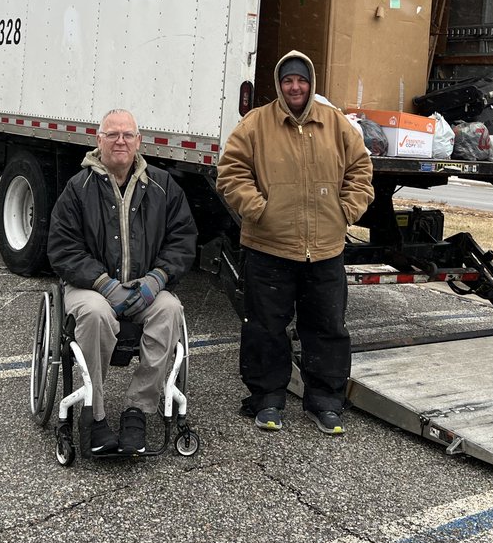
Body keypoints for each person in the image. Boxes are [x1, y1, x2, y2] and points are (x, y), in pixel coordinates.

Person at [216, 50, 374, 435]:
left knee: (326, 328)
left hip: (325, 250)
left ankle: (325, 402)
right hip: (269, 247)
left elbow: (361, 169)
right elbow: (230, 172)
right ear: (278, 84)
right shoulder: (256, 125)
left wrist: (345, 211)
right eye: (287, 80)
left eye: (301, 80)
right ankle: (267, 399)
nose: (295, 87)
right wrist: (259, 210)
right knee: (265, 328)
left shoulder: (335, 124)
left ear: (311, 83)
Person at [47, 108, 198, 454]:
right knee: (96, 314)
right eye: (112, 134)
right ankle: (95, 416)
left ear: (139, 142)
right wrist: (103, 284)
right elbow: (62, 247)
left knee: (170, 310)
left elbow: (183, 239)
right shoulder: (77, 188)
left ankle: (137, 411)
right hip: (91, 289)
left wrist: (157, 279)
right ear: (98, 140)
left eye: (127, 135)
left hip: (146, 286)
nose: (120, 141)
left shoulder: (163, 186)